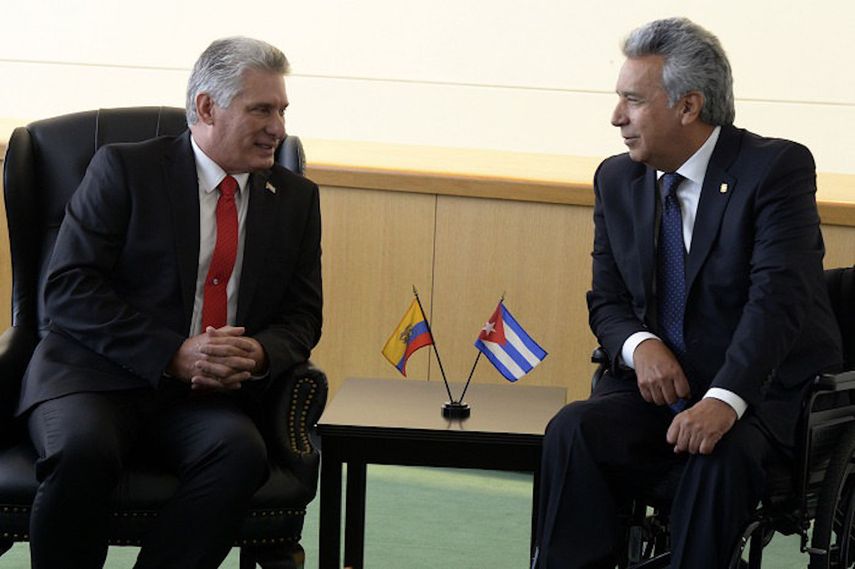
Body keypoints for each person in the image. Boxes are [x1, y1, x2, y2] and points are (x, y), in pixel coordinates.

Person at [533, 17, 842, 569]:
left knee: (718, 456)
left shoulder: (774, 169)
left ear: (688, 106)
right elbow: (606, 300)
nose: (616, 117)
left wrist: (723, 399)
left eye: (632, 100)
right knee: (574, 429)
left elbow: (776, 303)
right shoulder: (618, 180)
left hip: (757, 396)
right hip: (656, 394)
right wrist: (639, 345)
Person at [16, 37, 322, 568]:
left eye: (282, 111)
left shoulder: (295, 198)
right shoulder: (124, 170)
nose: (279, 127)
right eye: (262, 110)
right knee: (83, 453)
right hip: (95, 377)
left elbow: (302, 315)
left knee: (239, 454)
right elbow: (68, 288)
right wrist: (172, 353)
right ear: (206, 107)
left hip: (201, 400)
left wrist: (258, 354)